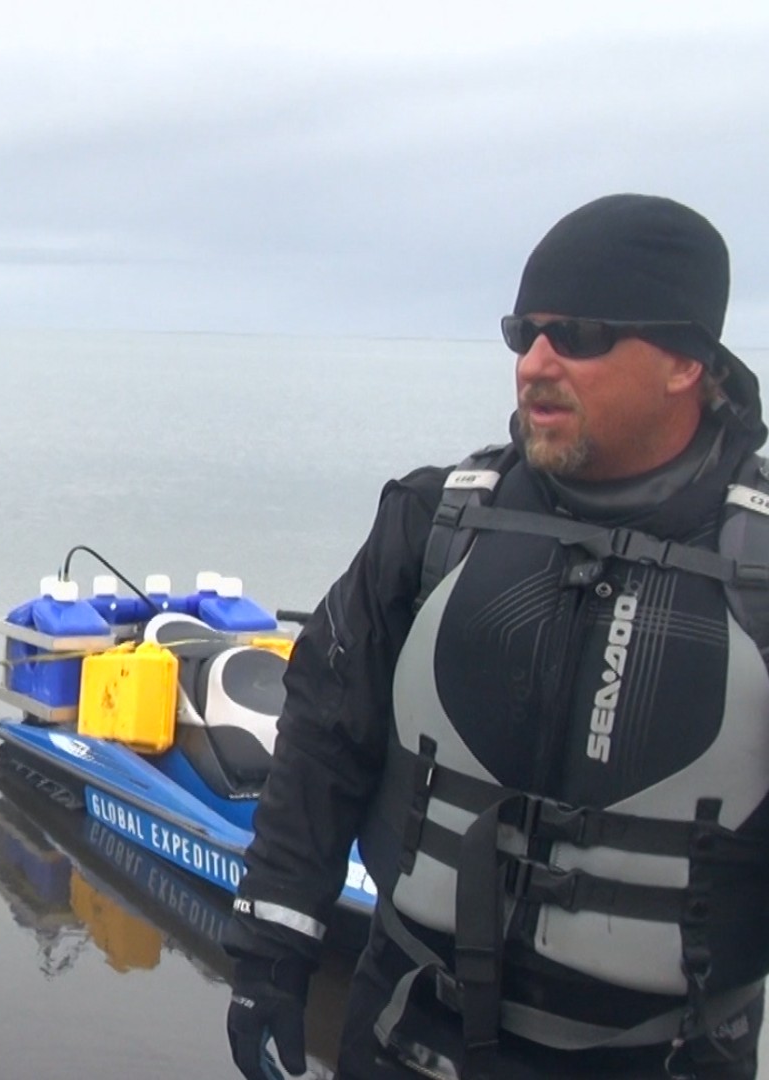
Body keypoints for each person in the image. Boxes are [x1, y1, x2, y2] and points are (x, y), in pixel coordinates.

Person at [222, 193, 769, 1080]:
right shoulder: (432, 523)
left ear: (685, 361)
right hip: (406, 1033)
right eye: (524, 333)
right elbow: (323, 736)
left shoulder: (757, 571)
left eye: (579, 335)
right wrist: (268, 959)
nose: (535, 364)